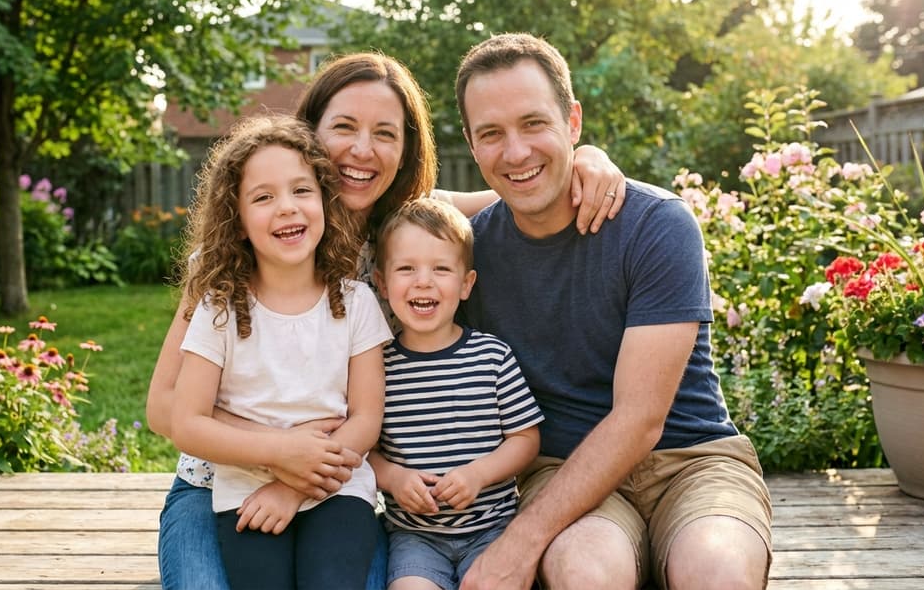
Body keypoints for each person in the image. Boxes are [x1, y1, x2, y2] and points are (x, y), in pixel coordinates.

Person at [146, 51, 629, 590]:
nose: (362, 150)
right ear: (308, 135)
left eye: (385, 133)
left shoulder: (414, 234)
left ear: (405, 152)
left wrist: (586, 157)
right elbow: (166, 406)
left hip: (335, 488)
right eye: (344, 127)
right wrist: (285, 449)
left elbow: (524, 187)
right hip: (218, 484)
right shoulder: (238, 260)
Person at [453, 33, 773, 590]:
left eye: (534, 124)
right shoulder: (466, 254)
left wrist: (518, 545)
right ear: (471, 144)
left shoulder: (656, 224)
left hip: (692, 460)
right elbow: (408, 205)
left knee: (715, 570)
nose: (515, 152)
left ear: (573, 122)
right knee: (586, 573)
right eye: (491, 134)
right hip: (562, 469)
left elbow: (639, 418)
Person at [169, 114, 393, 589]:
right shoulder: (219, 306)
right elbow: (186, 422)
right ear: (239, 220)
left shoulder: (355, 302)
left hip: (339, 487)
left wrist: (294, 486)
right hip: (244, 491)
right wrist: (279, 454)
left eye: (301, 190)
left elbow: (366, 418)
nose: (286, 208)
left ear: (326, 204)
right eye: (263, 197)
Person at [369, 197, 543, 590]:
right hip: (415, 537)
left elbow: (525, 439)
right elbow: (367, 450)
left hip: (493, 529)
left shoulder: (492, 356)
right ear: (382, 282)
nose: (423, 281)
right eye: (406, 269)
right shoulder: (377, 365)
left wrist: (479, 474)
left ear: (466, 285)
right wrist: (395, 479)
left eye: (441, 269)